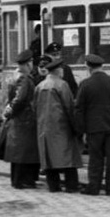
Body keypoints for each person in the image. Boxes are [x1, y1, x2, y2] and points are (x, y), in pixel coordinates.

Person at [74, 54, 110, 196]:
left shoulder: (85, 84)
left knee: (95, 158)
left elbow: (79, 109)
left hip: (93, 128)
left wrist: (80, 130)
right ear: (102, 66)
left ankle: (93, 187)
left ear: (88, 66)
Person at [33, 56, 83, 192]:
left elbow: (34, 107)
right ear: (58, 71)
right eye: (61, 69)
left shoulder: (39, 86)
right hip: (61, 127)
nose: (62, 71)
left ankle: (53, 186)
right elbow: (69, 107)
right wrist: (76, 127)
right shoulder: (62, 85)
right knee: (67, 157)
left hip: (44, 127)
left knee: (48, 157)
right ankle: (71, 186)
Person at [3, 49, 41, 189]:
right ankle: (21, 180)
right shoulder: (24, 78)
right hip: (24, 119)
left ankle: (20, 180)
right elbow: (20, 99)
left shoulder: (15, 76)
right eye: (31, 62)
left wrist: (9, 111)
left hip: (19, 120)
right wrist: (12, 110)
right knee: (23, 152)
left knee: (19, 151)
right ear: (28, 63)